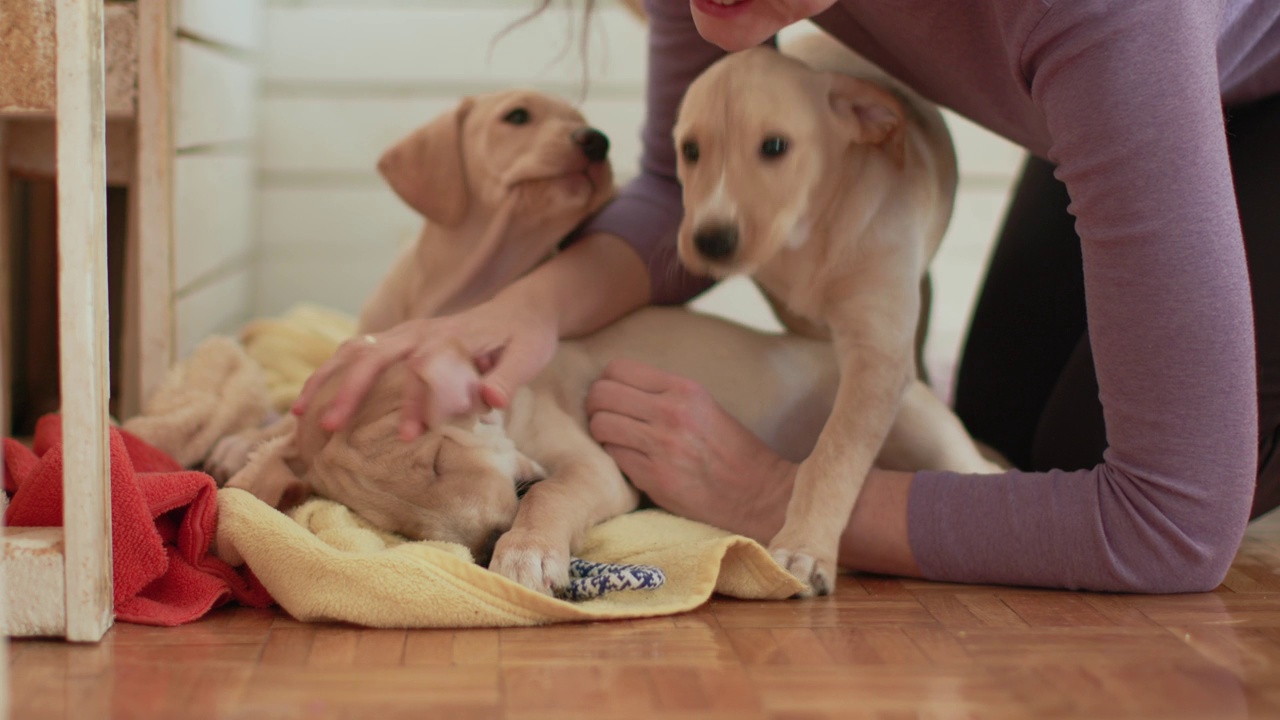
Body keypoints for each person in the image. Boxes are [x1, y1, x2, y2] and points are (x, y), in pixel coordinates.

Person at [293, 0, 1280, 593]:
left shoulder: (1102, 19)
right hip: (1140, 83)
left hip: (1195, 65)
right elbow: (679, 197)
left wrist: (774, 495)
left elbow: (1171, 526)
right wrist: (510, 313)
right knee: (996, 440)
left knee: (1085, 485)